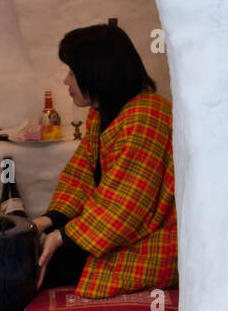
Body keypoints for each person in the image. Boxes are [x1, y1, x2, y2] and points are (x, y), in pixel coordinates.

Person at [34, 24, 177, 297]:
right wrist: (47, 222)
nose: (66, 81)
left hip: (152, 240)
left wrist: (63, 237)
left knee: (40, 267)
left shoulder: (146, 116)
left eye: (73, 73)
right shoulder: (103, 113)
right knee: (37, 256)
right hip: (118, 230)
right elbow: (81, 176)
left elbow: (126, 204)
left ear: (96, 74)